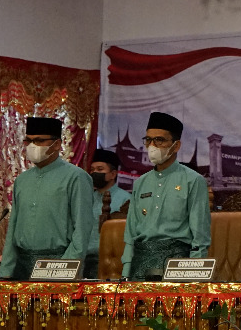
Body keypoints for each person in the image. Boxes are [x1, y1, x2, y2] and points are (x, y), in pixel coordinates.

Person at [0, 117, 93, 280]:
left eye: (39, 141)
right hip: (22, 266)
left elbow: (82, 229)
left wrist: (66, 268)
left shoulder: (76, 177)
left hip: (57, 263)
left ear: (57, 144)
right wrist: (6, 271)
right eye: (28, 141)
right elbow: (13, 227)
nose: (32, 146)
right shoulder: (22, 180)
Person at [122, 112, 211, 280]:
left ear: (176, 146)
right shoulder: (140, 183)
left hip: (176, 263)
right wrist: (126, 272)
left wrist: (194, 279)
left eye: (159, 140)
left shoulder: (193, 180)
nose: (152, 146)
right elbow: (130, 233)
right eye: (148, 140)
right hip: (140, 263)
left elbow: (200, 238)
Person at [86, 148, 131, 278]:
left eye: (100, 169)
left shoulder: (126, 199)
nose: (95, 173)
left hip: (112, 261)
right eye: (92, 170)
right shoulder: (86, 197)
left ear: (113, 174)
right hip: (85, 259)